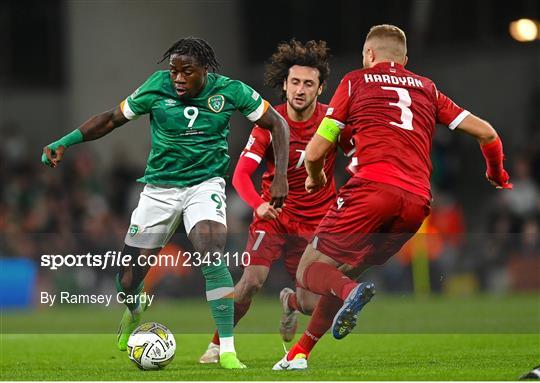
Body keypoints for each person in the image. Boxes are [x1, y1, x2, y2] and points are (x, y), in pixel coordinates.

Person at [273, 24, 513, 371]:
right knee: (341, 274)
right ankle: (300, 353)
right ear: (405, 60)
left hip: (371, 191)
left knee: (310, 269)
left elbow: (314, 153)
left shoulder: (355, 81)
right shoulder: (428, 89)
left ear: (369, 55)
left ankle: (346, 293)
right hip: (416, 205)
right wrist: (496, 173)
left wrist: (316, 176)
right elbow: (488, 134)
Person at [41, 37, 290, 370]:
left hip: (205, 185)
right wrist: (65, 141)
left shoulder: (231, 91)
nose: (178, 78)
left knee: (210, 249)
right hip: (159, 190)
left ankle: (227, 349)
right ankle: (134, 307)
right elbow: (112, 119)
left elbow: (278, 123)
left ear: (205, 70)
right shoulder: (156, 88)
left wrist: (281, 176)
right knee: (128, 279)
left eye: (187, 71)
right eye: (174, 71)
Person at [199, 39, 355, 364]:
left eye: (308, 83)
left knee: (313, 303)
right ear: (284, 85)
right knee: (251, 281)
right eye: (295, 82)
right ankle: (217, 345)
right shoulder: (269, 123)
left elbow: (360, 162)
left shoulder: (333, 123)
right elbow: (241, 175)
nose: (300, 89)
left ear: (320, 88)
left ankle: (291, 303)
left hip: (318, 223)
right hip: (274, 216)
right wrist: (257, 204)